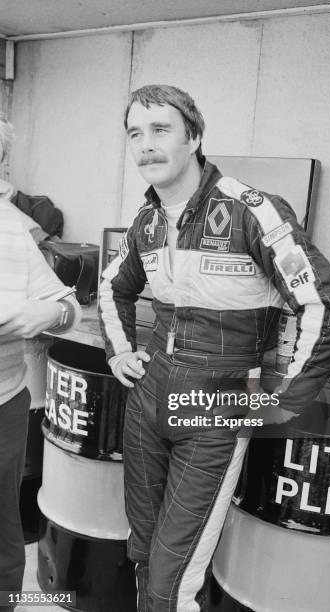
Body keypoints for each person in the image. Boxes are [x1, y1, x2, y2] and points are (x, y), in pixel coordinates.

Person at [98, 84, 330, 611]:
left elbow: (327, 310)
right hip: (147, 402)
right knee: (143, 554)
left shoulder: (250, 209)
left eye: (161, 129)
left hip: (214, 410)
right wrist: (119, 352)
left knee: (172, 584)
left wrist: (281, 399)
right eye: (135, 133)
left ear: (193, 136)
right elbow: (110, 288)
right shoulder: (146, 221)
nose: (145, 144)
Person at [0, 115, 81, 612]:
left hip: (5, 403)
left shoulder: (13, 228)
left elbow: (68, 307)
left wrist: (49, 311)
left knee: (4, 523)